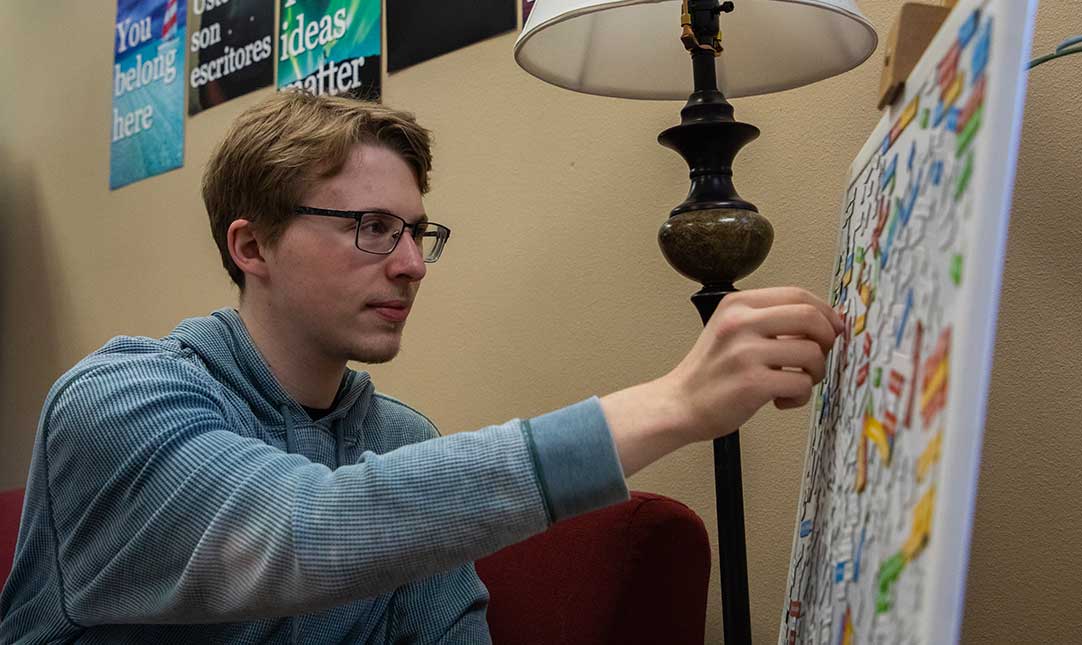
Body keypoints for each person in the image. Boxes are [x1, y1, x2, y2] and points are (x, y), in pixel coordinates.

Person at [0, 91, 842, 643]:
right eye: (371, 226)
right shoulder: (115, 401)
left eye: (416, 232)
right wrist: (672, 403)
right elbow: (299, 531)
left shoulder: (397, 439)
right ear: (252, 244)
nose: (411, 264)